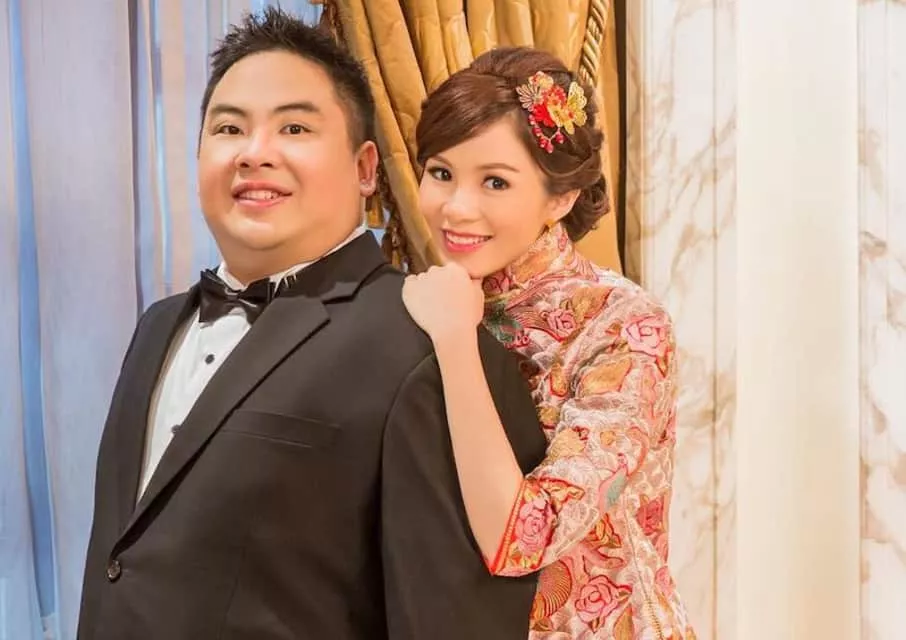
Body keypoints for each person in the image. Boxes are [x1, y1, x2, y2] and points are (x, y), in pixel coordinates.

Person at [76, 10, 547, 640]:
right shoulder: (156, 327)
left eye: (294, 127)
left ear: (365, 168)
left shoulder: (429, 344)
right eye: (229, 128)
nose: (254, 153)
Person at [402, 46, 696, 638]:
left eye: (495, 182)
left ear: (560, 198)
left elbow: (521, 538)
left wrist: (457, 341)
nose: (456, 208)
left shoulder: (623, 326)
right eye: (440, 173)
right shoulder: (420, 303)